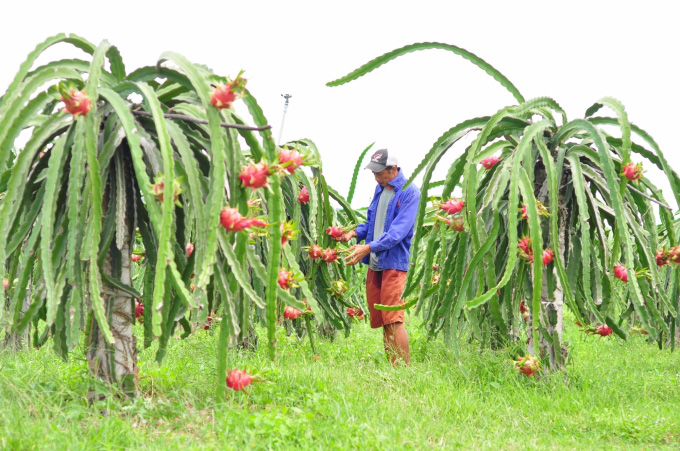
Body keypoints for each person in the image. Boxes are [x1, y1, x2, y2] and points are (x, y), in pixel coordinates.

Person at [336, 149, 420, 365]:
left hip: (394, 262)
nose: (375, 177)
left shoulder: (410, 192)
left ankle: (402, 371)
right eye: (373, 172)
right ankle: (394, 367)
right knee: (384, 319)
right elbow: (372, 223)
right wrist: (354, 233)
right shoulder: (380, 189)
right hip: (376, 262)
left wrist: (368, 248)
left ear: (393, 169)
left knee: (394, 317)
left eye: (379, 172)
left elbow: (398, 232)